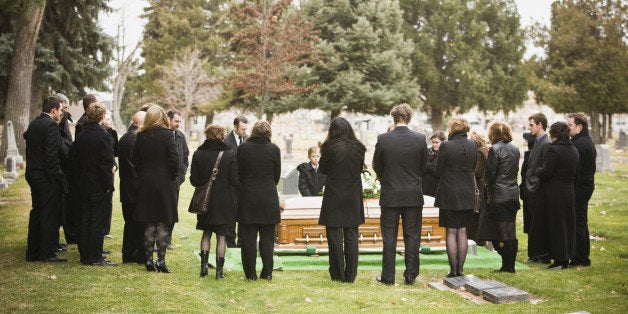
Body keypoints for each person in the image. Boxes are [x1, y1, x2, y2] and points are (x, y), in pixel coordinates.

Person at [373, 104, 427, 285]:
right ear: (409, 118)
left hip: (391, 193)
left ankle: (388, 276)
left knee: (389, 236)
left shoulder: (384, 139)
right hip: (412, 193)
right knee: (412, 235)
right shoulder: (420, 139)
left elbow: (377, 165)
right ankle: (411, 274)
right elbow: (423, 166)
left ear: (393, 118)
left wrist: (384, 177)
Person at [318, 117, 367, 283]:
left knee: (334, 235)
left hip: (334, 194)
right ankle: (351, 275)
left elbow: (323, 170)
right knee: (352, 235)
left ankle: (337, 273)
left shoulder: (328, 147)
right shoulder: (359, 147)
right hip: (352, 194)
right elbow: (360, 168)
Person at [133, 105, 179, 273]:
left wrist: (143, 175)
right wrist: (172, 176)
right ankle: (161, 260)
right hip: (164, 182)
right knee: (163, 222)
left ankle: (148, 259)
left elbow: (135, 160)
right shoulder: (168, 135)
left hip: (146, 182)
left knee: (150, 221)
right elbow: (174, 159)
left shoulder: (141, 136)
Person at [70, 103, 116, 266]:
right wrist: (108, 183)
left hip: (83, 183)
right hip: (98, 184)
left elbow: (73, 159)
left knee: (85, 219)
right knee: (97, 221)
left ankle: (85, 254)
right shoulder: (104, 136)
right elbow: (106, 163)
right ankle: (94, 256)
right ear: (102, 117)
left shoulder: (82, 135)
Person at [190, 125, 238, 279]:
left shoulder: (198, 153)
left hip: (205, 201)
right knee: (221, 236)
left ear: (207, 135)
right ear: (222, 136)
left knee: (206, 234)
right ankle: (219, 272)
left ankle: (204, 267)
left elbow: (194, 181)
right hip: (223, 201)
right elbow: (234, 180)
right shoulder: (229, 154)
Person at [24, 96, 67, 262]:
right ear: (54, 110)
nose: (62, 113)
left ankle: (33, 251)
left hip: (33, 173)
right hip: (45, 176)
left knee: (37, 212)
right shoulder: (50, 125)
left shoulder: (34, 123)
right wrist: (55, 176)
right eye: (61, 110)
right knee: (48, 214)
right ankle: (47, 252)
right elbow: (51, 154)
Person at [434, 117, 478, 277]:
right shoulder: (473, 144)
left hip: (449, 192)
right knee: (463, 231)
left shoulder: (446, 145)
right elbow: (473, 166)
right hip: (467, 191)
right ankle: (461, 270)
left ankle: (453, 270)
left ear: (452, 129)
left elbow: (438, 171)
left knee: (451, 231)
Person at [237, 121, 280, 281]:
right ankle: (267, 272)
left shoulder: (243, 148)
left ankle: (250, 274)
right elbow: (276, 175)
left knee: (248, 238)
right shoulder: (274, 149)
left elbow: (239, 173)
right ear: (268, 133)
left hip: (248, 196)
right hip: (268, 196)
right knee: (267, 238)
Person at [532, 122, 579, 270]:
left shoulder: (554, 150)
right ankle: (566, 257)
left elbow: (546, 172)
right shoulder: (573, 149)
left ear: (554, 134)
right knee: (566, 225)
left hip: (554, 193)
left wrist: (538, 170)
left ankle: (559, 260)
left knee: (556, 226)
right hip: (568, 191)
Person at [484, 121, 520, 273]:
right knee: (511, 230)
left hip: (499, 194)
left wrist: (487, 186)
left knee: (501, 232)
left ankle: (507, 265)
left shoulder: (494, 149)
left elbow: (491, 173)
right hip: (512, 193)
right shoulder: (515, 148)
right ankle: (510, 264)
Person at [567, 113, 596, 267]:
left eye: (570, 125)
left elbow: (576, 171)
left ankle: (581, 258)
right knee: (580, 221)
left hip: (580, 188)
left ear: (579, 127)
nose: (568, 128)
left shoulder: (579, 144)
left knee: (578, 222)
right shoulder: (584, 141)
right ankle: (581, 256)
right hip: (585, 185)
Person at [118, 110, 147, 264]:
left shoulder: (126, 137)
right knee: (138, 223)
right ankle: (139, 254)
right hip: (135, 188)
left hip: (128, 187)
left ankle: (128, 253)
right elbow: (136, 166)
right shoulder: (136, 139)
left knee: (130, 223)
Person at [525, 113, 552, 263]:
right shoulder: (537, 141)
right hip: (532, 188)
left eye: (531, 125)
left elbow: (543, 168)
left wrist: (534, 186)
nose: (529, 128)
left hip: (537, 189)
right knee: (533, 224)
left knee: (539, 224)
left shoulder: (546, 143)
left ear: (540, 125)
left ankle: (541, 255)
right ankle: (535, 254)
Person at [52, 93, 74, 249]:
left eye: (66, 108)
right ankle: (53, 240)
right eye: (63, 108)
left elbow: (67, 141)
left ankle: (66, 236)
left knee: (64, 205)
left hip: (65, 167)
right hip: (58, 168)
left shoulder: (64, 120)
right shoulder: (54, 123)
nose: (65, 111)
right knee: (56, 206)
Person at [224, 116, 249, 248]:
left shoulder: (247, 139)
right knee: (232, 214)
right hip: (231, 184)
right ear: (235, 127)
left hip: (245, 184)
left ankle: (241, 242)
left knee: (243, 213)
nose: (245, 131)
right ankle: (231, 243)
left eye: (246, 128)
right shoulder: (227, 141)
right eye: (242, 129)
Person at [166, 109, 190, 250]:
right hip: (164, 180)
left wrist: (182, 174)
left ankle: (168, 239)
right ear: (169, 119)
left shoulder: (181, 136)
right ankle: (158, 240)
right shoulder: (164, 135)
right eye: (176, 121)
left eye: (180, 121)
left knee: (172, 211)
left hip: (176, 181)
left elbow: (185, 156)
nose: (178, 124)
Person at [468, 129, 492, 247]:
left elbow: (477, 171)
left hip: (478, 186)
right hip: (483, 186)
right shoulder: (486, 151)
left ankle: (477, 241)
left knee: (475, 216)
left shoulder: (479, 153)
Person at [101, 110, 118, 239]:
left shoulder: (112, 133)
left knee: (109, 201)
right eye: (107, 119)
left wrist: (114, 165)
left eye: (111, 119)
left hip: (111, 168)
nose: (110, 121)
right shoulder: (101, 134)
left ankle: (105, 230)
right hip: (103, 170)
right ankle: (101, 230)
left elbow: (114, 153)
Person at [423, 131, 446, 197]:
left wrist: (426, 164)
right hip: (424, 186)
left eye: (437, 142)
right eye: (433, 142)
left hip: (437, 187)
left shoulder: (444, 153)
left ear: (443, 142)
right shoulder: (427, 151)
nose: (434, 144)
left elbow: (437, 171)